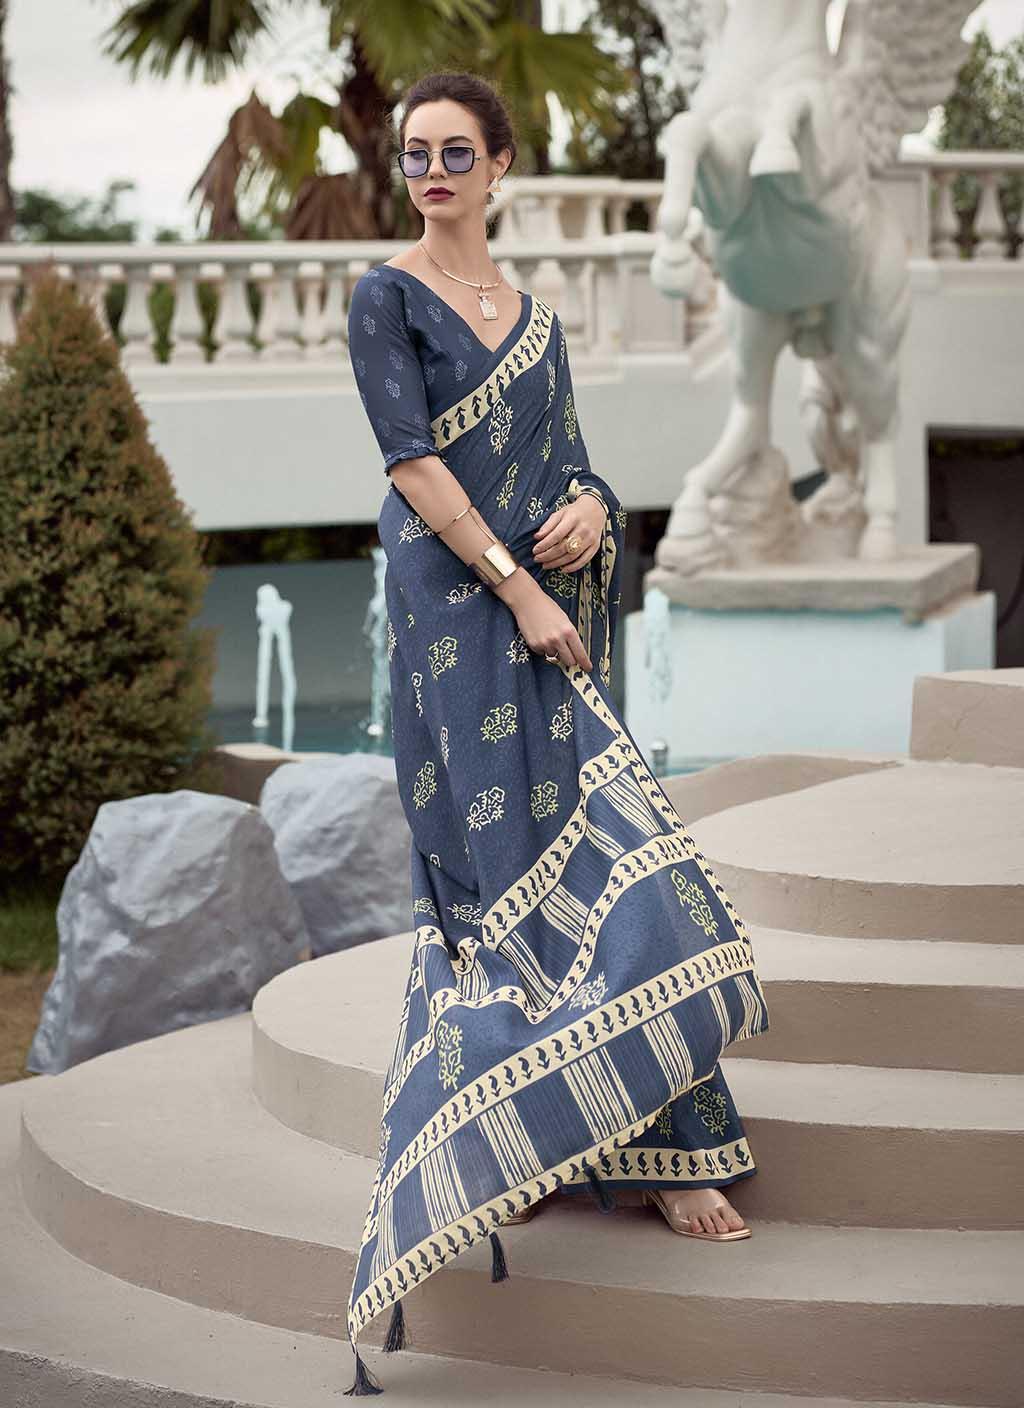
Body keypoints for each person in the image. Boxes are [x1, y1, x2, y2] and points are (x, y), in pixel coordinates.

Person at [342, 70, 770, 1396]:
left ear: (502, 164)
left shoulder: (534, 318)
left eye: (455, 151)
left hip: (543, 613)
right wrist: (520, 591)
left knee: (613, 858)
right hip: (455, 622)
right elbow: (412, 461)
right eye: (415, 154)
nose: (432, 172)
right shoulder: (385, 297)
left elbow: (571, 457)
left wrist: (590, 505)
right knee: (499, 879)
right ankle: (520, 1144)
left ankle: (664, 1150)